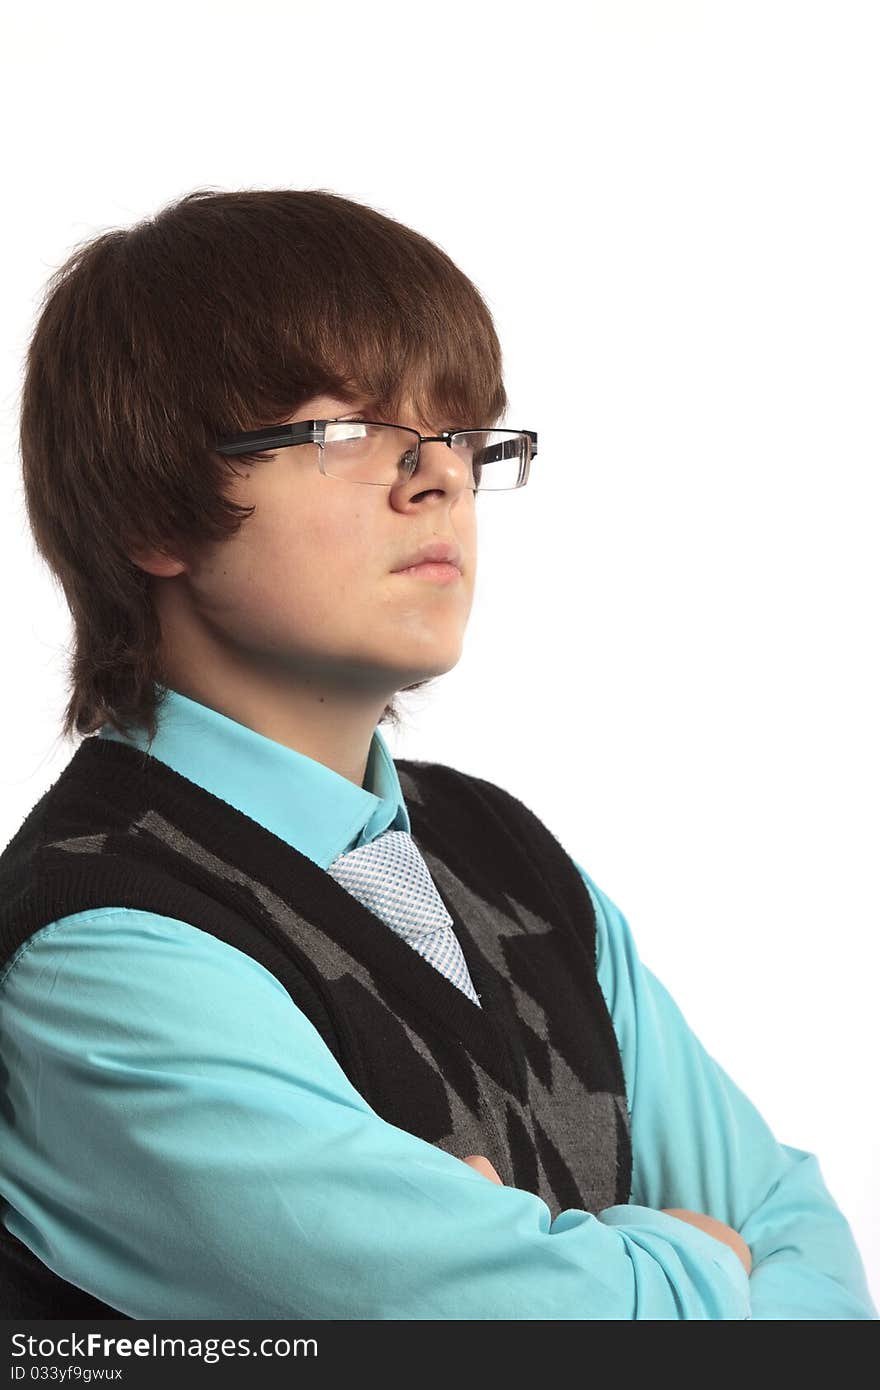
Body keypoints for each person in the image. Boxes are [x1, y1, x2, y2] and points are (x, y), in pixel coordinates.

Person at [0, 186, 875, 1320]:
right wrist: (697, 1255)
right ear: (151, 516)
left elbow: (813, 1254)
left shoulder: (506, 855)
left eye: (458, 432)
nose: (441, 478)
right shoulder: (106, 946)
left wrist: (603, 1259)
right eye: (348, 431)